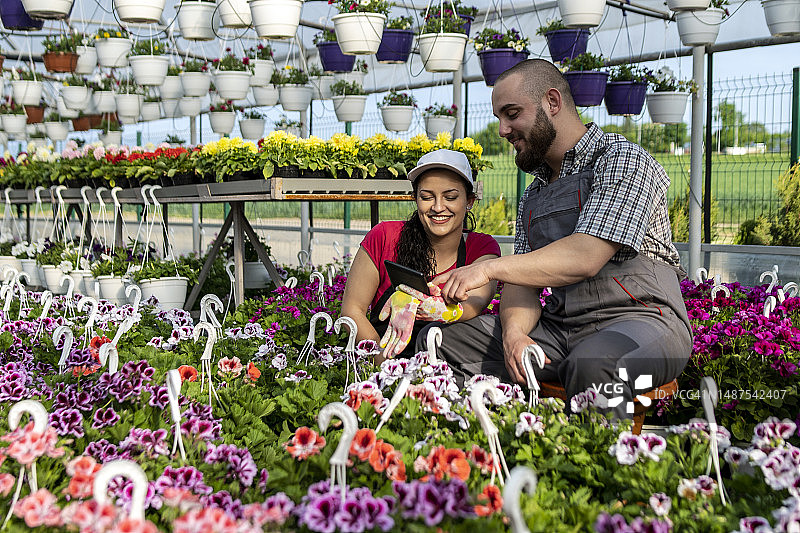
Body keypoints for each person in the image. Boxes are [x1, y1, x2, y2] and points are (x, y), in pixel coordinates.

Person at [418, 59, 692, 419]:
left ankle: (598, 468)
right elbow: (521, 285)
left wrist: (488, 270)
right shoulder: (534, 193)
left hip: (641, 319)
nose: (502, 129)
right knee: (438, 343)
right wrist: (514, 334)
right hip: (561, 329)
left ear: (552, 101)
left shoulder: (621, 159)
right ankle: (481, 454)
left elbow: (585, 255)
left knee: (596, 364)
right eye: (499, 117)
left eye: (511, 113)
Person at [341, 149, 501, 362]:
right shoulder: (384, 236)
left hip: (448, 369)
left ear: (469, 201)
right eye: (426, 197)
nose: (437, 207)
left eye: (450, 197)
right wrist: (385, 364)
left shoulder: (481, 247)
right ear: (415, 199)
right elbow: (352, 310)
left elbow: (474, 304)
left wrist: (439, 311)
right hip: (381, 364)